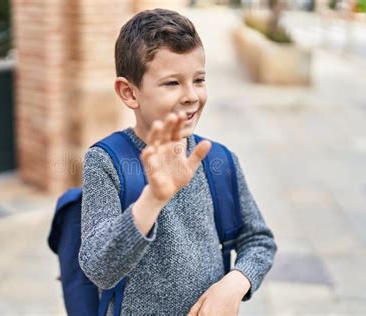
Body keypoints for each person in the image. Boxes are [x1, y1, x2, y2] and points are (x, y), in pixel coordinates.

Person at [78, 8, 277, 315]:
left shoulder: (218, 160)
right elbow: (98, 268)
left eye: (198, 80)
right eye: (172, 83)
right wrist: (154, 198)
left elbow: (259, 241)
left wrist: (236, 282)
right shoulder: (105, 162)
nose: (191, 96)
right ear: (129, 92)